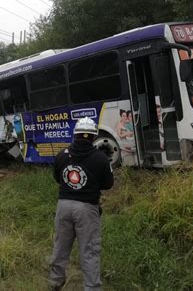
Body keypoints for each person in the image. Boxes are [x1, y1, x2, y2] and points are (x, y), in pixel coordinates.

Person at [50, 117, 114, 291]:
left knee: (61, 245)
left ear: (75, 135)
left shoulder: (62, 155)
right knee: (89, 250)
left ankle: (56, 282)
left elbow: (57, 178)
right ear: (93, 137)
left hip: (63, 206)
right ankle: (92, 287)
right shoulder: (100, 158)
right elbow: (108, 184)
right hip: (87, 209)